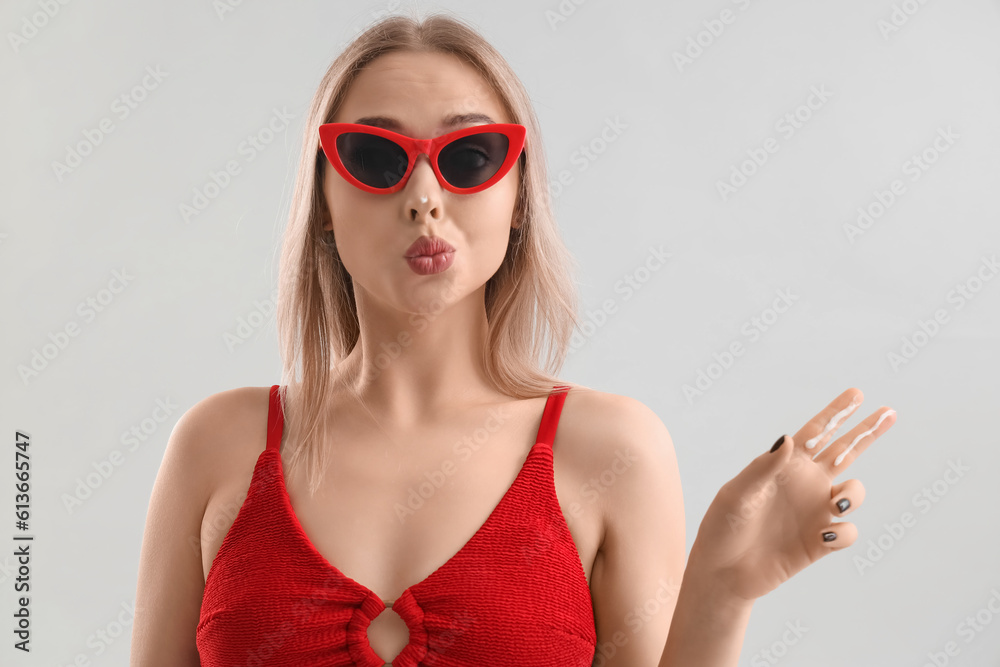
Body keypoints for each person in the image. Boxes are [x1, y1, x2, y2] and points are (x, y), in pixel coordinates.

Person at [129, 11, 896, 667]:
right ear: (323, 200)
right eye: (373, 157)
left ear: (519, 194)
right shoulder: (217, 446)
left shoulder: (611, 451)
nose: (424, 198)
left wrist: (723, 591)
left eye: (469, 157)